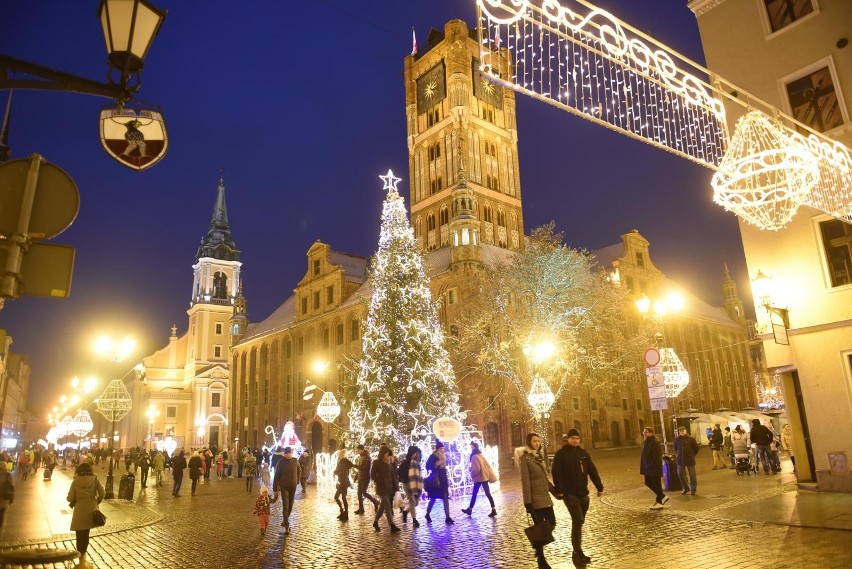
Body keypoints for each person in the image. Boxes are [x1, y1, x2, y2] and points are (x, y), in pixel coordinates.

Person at [552, 428, 603, 565]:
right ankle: (577, 552)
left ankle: (577, 550)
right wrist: (560, 490)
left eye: (577, 438)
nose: (575, 440)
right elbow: (556, 473)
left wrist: (599, 486)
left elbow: (592, 470)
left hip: (583, 493)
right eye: (573, 438)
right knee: (578, 521)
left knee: (580, 523)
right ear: (568, 439)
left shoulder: (583, 453)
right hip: (570, 494)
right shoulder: (561, 454)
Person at [520, 432, 557, 569]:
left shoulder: (540, 457)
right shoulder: (525, 459)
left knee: (552, 523)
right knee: (540, 529)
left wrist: (555, 493)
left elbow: (545, 480)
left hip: (545, 498)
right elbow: (525, 481)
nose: (537, 443)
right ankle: (541, 560)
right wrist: (527, 502)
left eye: (538, 441)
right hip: (535, 500)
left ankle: (538, 549)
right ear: (529, 443)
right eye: (534, 441)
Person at [67, 462, 105, 569]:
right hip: (91, 508)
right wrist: (97, 500)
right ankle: (84, 561)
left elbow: (69, 498)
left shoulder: (75, 481)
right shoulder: (94, 479)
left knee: (79, 536)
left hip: (79, 509)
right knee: (86, 535)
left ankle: (81, 561)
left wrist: (75, 498)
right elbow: (102, 492)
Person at [462, 441, 497, 517]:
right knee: (488, 493)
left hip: (478, 478)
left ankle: (470, 509)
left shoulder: (474, 456)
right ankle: (493, 509)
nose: (470, 448)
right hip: (484, 477)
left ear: (474, 447)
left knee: (474, 494)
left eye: (471, 447)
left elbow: (476, 469)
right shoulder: (480, 454)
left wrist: (471, 472)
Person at [271, 447, 301, 536]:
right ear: (284, 454)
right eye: (287, 453)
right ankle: (287, 527)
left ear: (291, 453)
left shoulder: (295, 461)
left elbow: (299, 470)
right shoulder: (280, 462)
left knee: (291, 506)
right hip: (284, 487)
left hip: (293, 486)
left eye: (290, 453)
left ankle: (285, 520)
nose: (288, 455)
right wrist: (275, 489)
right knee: (286, 506)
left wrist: (297, 480)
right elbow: (276, 476)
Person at [371, 446, 401, 533]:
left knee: (382, 507)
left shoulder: (389, 463)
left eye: (388, 453)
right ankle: (392, 525)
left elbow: (393, 476)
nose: (387, 455)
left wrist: (396, 488)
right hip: (381, 488)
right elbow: (372, 475)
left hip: (389, 488)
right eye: (386, 453)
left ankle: (375, 522)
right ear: (382, 453)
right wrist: (380, 480)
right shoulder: (376, 462)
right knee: (388, 506)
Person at [424, 441, 453, 525]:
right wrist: (436, 464)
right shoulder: (433, 456)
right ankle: (427, 514)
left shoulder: (443, 457)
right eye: (442, 448)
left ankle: (447, 516)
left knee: (445, 497)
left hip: (443, 480)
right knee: (433, 498)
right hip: (436, 481)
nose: (443, 450)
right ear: (438, 449)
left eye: (443, 448)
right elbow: (427, 466)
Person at [640, 427, 667, 510]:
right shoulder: (646, 441)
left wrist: (651, 465)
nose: (644, 434)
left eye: (646, 432)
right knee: (647, 482)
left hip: (653, 467)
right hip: (647, 467)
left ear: (651, 433)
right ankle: (662, 496)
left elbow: (657, 456)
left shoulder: (655, 442)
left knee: (657, 484)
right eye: (643, 432)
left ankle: (659, 502)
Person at [353, 445, 379, 515]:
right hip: (360, 477)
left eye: (358, 450)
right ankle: (361, 508)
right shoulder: (361, 457)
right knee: (359, 493)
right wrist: (356, 476)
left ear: (362, 450)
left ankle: (375, 502)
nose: (357, 451)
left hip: (365, 477)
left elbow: (365, 467)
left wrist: (356, 466)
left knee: (364, 492)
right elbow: (360, 469)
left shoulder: (367, 457)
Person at [401, 446, 423, 527]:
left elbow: (419, 475)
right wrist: (405, 478)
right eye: (415, 453)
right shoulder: (406, 462)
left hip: (416, 485)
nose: (416, 455)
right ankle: (414, 520)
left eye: (417, 453)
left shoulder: (417, 463)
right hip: (407, 484)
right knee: (412, 502)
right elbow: (399, 472)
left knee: (416, 503)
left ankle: (405, 511)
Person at [673, 426, 699, 495]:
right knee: (680, 474)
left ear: (686, 431)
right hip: (680, 460)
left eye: (683, 430)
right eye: (680, 431)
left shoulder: (691, 439)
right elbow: (675, 449)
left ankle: (693, 489)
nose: (681, 432)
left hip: (690, 460)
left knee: (692, 475)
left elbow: (696, 449)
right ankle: (685, 488)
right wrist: (678, 455)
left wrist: (692, 455)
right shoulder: (676, 439)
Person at [333, 450, 354, 521]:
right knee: (343, 497)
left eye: (339, 454)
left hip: (343, 482)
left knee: (337, 497)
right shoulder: (342, 461)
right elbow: (340, 470)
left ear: (342, 454)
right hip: (343, 481)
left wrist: (338, 472)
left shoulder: (343, 460)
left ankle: (344, 512)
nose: (338, 455)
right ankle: (344, 512)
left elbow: (350, 465)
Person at [0, 461, 14, 535]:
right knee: (1, 514)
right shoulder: (8, 475)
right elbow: (12, 486)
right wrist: (12, 498)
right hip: (4, 498)